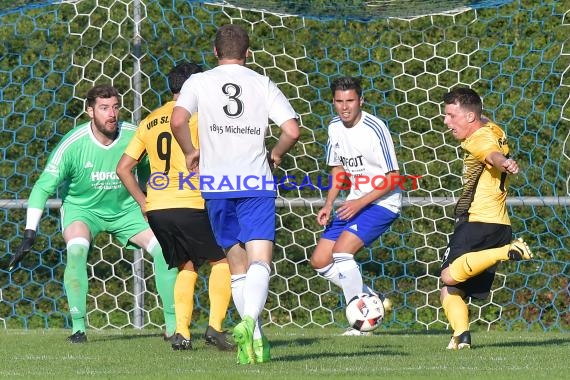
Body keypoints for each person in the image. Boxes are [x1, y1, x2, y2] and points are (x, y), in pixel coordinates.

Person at [170, 24, 300, 364]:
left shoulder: (198, 82)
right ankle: (248, 325)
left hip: (216, 184)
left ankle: (252, 341)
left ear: (215, 53)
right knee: (261, 261)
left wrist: (189, 151)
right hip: (254, 182)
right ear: (248, 53)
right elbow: (292, 130)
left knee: (237, 265)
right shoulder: (262, 83)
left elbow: (178, 119)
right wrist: (277, 153)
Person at [8, 84, 178, 343]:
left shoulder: (133, 135)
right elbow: (42, 188)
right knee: (76, 250)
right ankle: (79, 329)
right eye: (104, 108)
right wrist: (30, 233)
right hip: (83, 210)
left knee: (166, 250)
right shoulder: (73, 144)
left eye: (115, 107)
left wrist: (150, 202)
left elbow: (147, 170)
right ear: (90, 111)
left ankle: (173, 327)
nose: (112, 114)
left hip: (126, 210)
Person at [116, 61, 234, 351]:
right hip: (191, 202)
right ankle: (216, 328)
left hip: (158, 207)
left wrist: (143, 203)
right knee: (224, 260)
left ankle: (181, 333)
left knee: (187, 264)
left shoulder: (150, 120)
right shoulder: (199, 116)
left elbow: (123, 168)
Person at [439, 87, 533, 350]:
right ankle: (461, 335)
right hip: (499, 223)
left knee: (448, 276)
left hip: (478, 221)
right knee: (453, 289)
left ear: (470, 117)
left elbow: (491, 154)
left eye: (451, 115)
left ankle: (507, 251)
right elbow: (488, 131)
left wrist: (504, 162)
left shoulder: (479, 139)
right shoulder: (494, 129)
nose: (446, 122)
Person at [309, 76, 401, 336]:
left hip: (383, 202)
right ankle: (370, 298)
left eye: (350, 100)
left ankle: (362, 323)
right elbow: (338, 169)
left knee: (341, 253)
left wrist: (360, 201)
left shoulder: (375, 128)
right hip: (353, 202)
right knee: (319, 261)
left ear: (361, 100)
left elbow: (394, 177)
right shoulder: (334, 127)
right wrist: (329, 203)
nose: (345, 107)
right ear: (333, 102)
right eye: (339, 101)